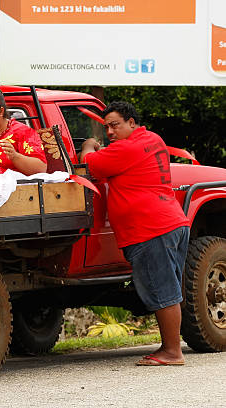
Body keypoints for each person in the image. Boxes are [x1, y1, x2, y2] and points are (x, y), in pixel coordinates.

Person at [79, 101, 190, 366]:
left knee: (164, 292)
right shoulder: (152, 139)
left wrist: (87, 147)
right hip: (171, 220)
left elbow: (90, 165)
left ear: (132, 122)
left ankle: (172, 352)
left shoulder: (127, 148)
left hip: (150, 228)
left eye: (115, 125)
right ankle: (169, 348)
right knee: (169, 289)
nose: (110, 132)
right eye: (106, 127)